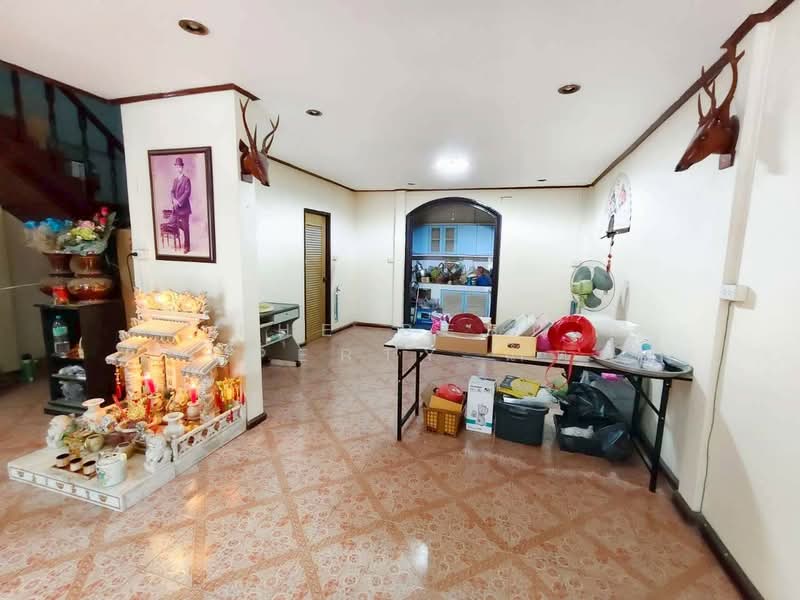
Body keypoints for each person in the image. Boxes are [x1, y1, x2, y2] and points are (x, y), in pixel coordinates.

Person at [170, 157, 192, 253]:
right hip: (176, 209)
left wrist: (178, 201)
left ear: (182, 167)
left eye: (179, 166)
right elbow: (172, 191)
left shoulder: (186, 180)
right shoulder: (175, 180)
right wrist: (173, 200)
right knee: (173, 223)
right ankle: (178, 240)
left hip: (184, 208)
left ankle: (187, 246)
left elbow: (187, 193)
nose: (178, 168)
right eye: (177, 166)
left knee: (186, 228)